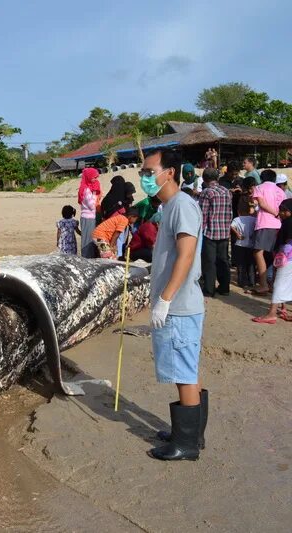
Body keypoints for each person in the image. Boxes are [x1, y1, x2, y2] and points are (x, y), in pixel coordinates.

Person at [139, 148, 206, 462]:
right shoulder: (168, 207)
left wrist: (164, 300)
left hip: (179, 305)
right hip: (176, 303)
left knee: (184, 373)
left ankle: (187, 445)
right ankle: (190, 433)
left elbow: (187, 255)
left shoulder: (182, 205)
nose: (144, 177)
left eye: (149, 171)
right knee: (187, 368)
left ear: (169, 172)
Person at [252, 199, 292, 324]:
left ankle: (272, 313)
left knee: (279, 283)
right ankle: (283, 308)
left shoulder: (288, 223)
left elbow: (283, 241)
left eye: (283, 211)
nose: (279, 213)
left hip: (287, 257)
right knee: (287, 283)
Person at [249, 169, 286, 295]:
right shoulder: (280, 191)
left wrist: (274, 213)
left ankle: (264, 284)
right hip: (279, 224)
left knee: (258, 252)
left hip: (265, 223)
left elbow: (262, 204)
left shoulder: (259, 188)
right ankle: (276, 284)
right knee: (278, 255)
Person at [198, 167, 233, 297]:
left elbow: (203, 214)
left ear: (205, 179)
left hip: (210, 232)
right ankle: (224, 287)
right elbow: (230, 212)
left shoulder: (207, 192)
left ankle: (209, 289)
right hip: (224, 231)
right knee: (223, 260)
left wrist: (199, 232)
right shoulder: (226, 191)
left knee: (209, 261)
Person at [231, 205, 257, 288]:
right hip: (251, 245)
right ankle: (252, 281)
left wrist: (237, 234)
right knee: (251, 264)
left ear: (239, 211)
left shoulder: (237, 219)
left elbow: (231, 226)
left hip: (240, 244)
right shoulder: (253, 219)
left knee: (241, 264)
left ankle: (242, 282)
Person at [78, 167, 101, 258]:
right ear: (88, 177)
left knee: (90, 239)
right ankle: (86, 258)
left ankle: (88, 257)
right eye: (94, 177)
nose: (95, 179)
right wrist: (95, 195)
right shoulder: (86, 190)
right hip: (88, 218)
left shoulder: (87, 189)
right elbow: (91, 206)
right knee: (87, 240)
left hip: (89, 217)